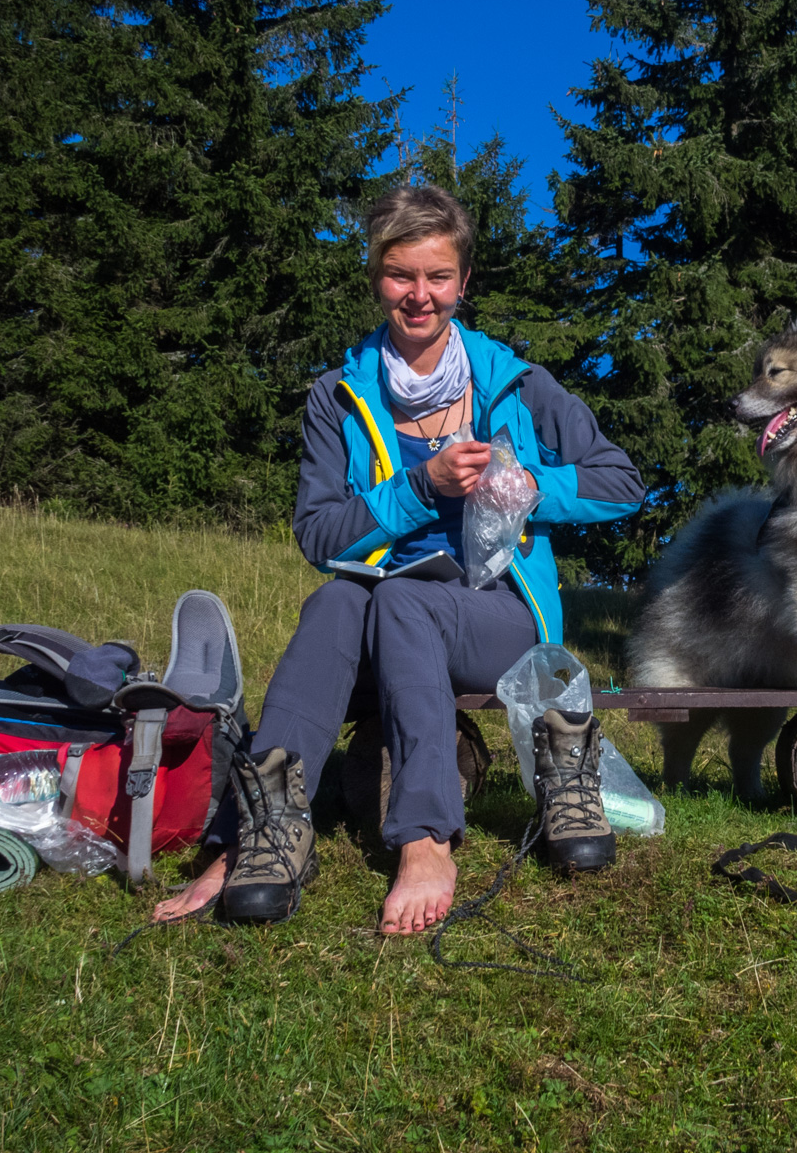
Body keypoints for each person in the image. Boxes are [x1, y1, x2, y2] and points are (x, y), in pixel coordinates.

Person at [152, 185, 643, 933]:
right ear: (376, 276)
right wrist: (419, 487)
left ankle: (425, 837)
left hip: (498, 617)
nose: (420, 296)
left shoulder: (516, 384)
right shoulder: (339, 397)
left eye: (438, 277)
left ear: (463, 283)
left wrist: (528, 486)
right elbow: (321, 537)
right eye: (400, 275)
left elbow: (621, 484)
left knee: (400, 600)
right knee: (339, 599)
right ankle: (257, 836)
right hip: (381, 623)